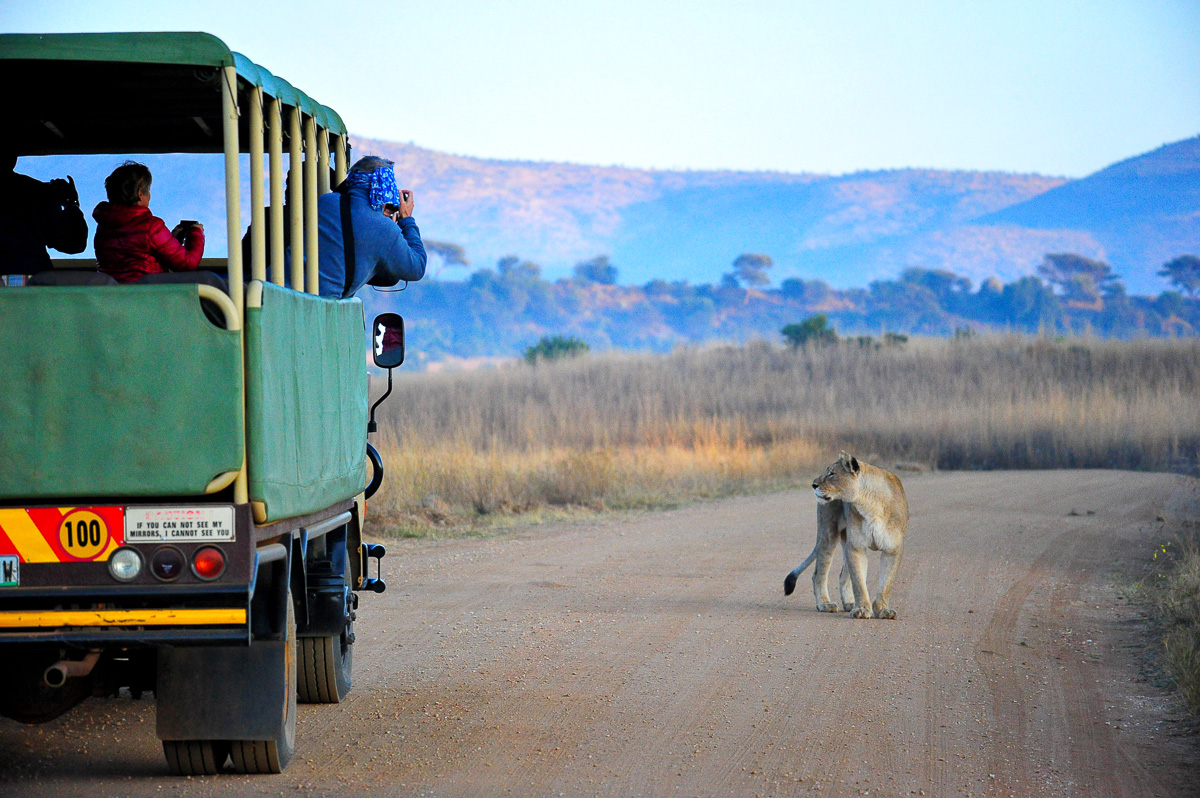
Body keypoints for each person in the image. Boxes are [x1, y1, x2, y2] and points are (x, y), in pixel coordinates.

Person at [316, 156, 426, 298]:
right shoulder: (384, 230)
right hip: (322, 305)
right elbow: (417, 267)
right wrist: (406, 218)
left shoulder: (325, 202)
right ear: (385, 187)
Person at [93, 161, 206, 284]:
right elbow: (186, 264)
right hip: (146, 299)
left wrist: (173, 240)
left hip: (111, 299)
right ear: (140, 194)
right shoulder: (151, 226)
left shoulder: (103, 227)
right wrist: (196, 233)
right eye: (148, 191)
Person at [0, 140, 88, 273]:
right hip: (30, 277)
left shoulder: (40, 191)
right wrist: (71, 204)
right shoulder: (39, 191)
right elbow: (73, 243)